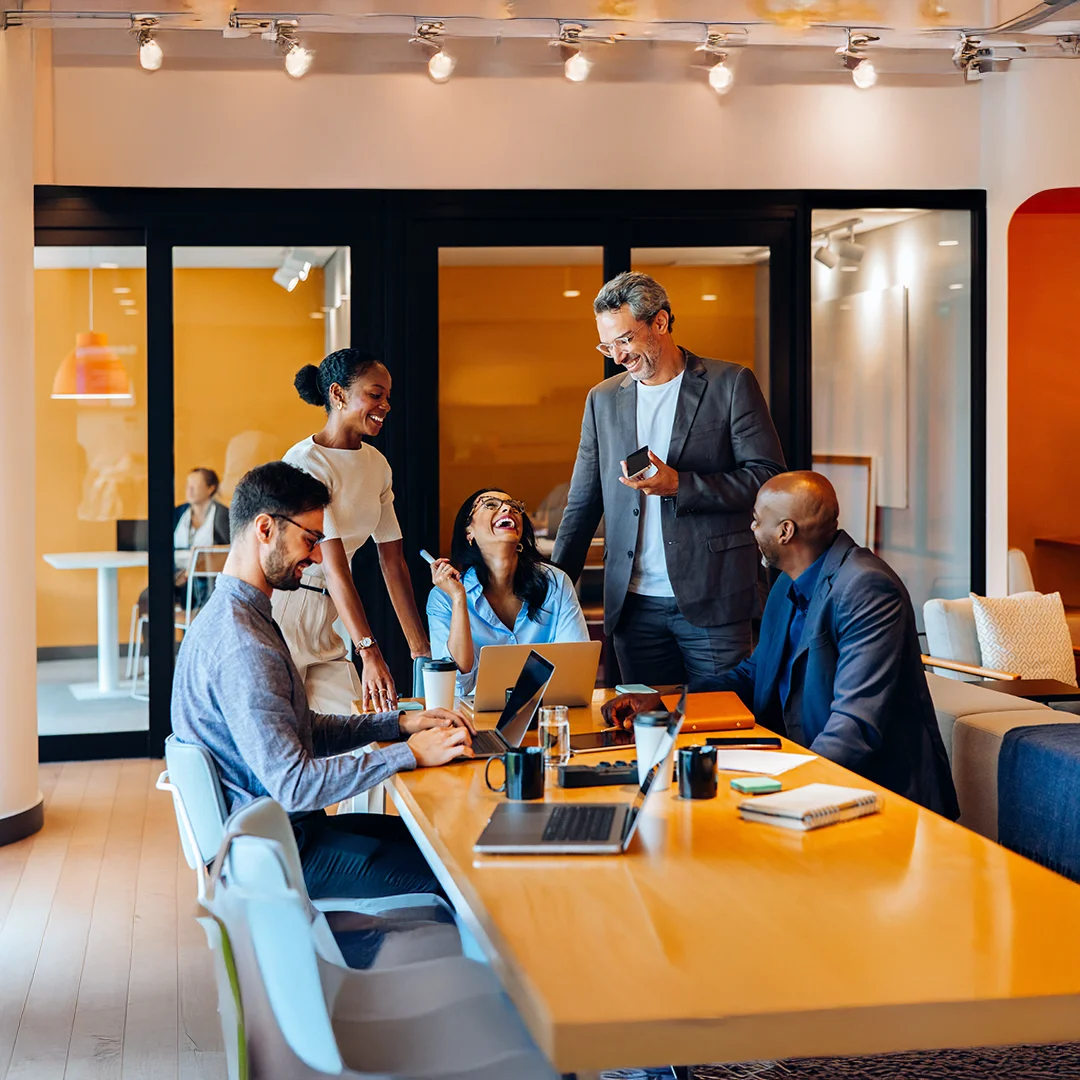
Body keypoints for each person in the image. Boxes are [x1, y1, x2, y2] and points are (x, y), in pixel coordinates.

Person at [171, 461, 475, 900]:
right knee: (458, 873)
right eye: (310, 540)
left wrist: (399, 724)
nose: (316, 557)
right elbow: (295, 786)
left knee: (443, 840)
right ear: (265, 529)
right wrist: (407, 755)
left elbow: (302, 728)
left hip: (279, 837)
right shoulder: (244, 645)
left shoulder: (237, 614)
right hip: (279, 854)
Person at [604, 471, 959, 817]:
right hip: (803, 772)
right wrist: (666, 704)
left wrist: (786, 796)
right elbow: (751, 675)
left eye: (757, 520)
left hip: (877, 797)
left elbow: (854, 727)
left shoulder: (866, 589)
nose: (752, 528)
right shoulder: (787, 584)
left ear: (786, 531)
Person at [553, 272, 786, 690]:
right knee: (643, 729)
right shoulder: (602, 399)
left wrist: (681, 485)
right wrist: (552, 588)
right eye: (607, 345)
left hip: (713, 598)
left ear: (660, 323)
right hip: (632, 605)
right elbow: (583, 502)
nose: (617, 356)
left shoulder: (730, 384)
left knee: (722, 726)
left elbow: (768, 480)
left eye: (625, 339)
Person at [273, 349, 431, 715]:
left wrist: (420, 650)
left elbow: (393, 561)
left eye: (388, 397)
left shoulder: (376, 464)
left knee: (358, 737)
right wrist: (369, 652)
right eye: (375, 395)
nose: (386, 405)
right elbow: (334, 564)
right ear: (338, 394)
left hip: (328, 613)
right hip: (282, 613)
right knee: (277, 740)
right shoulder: (304, 463)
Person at [427, 488, 590, 696]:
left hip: (545, 710)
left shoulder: (555, 582)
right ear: (469, 533)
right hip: (471, 719)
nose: (507, 508)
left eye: (514, 506)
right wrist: (459, 599)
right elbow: (458, 684)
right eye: (490, 505)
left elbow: (576, 667)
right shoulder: (443, 597)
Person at [136, 466, 230, 634]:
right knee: (148, 597)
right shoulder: (179, 513)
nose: (189, 489)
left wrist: (192, 571)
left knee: (197, 595)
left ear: (211, 488)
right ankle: (152, 655)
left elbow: (229, 552)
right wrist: (175, 575)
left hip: (207, 581)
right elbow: (163, 546)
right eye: (188, 484)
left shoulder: (222, 516)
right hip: (176, 577)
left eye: (195, 484)